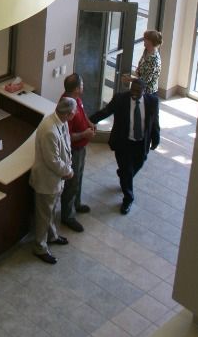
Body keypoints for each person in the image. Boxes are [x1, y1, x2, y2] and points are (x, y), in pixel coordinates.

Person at [90, 78, 160, 214]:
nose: (133, 93)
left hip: (141, 143)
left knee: (138, 164)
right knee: (127, 171)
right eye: (132, 89)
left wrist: (156, 139)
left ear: (143, 91)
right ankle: (128, 198)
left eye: (137, 91)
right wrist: (88, 120)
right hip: (124, 142)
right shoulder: (120, 99)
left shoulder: (152, 102)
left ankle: (123, 175)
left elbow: (155, 122)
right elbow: (106, 111)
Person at [29, 96, 76, 264]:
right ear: (69, 113)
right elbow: (52, 160)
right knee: (44, 215)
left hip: (57, 179)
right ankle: (40, 247)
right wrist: (68, 171)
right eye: (74, 112)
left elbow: (66, 146)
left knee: (51, 210)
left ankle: (52, 236)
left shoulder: (61, 122)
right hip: (47, 180)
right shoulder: (49, 129)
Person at [60, 73, 95, 233]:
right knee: (71, 183)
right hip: (74, 150)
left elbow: (82, 111)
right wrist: (84, 134)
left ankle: (77, 203)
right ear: (75, 89)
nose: (83, 86)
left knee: (79, 176)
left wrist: (88, 123)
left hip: (81, 148)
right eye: (81, 84)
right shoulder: (66, 106)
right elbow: (67, 136)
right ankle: (68, 216)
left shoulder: (76, 100)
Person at [133, 30, 163, 94]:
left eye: (145, 38)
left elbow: (145, 80)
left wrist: (130, 79)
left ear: (150, 42)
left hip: (148, 92)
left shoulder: (154, 60)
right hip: (140, 88)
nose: (143, 39)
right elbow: (142, 64)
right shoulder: (147, 50)